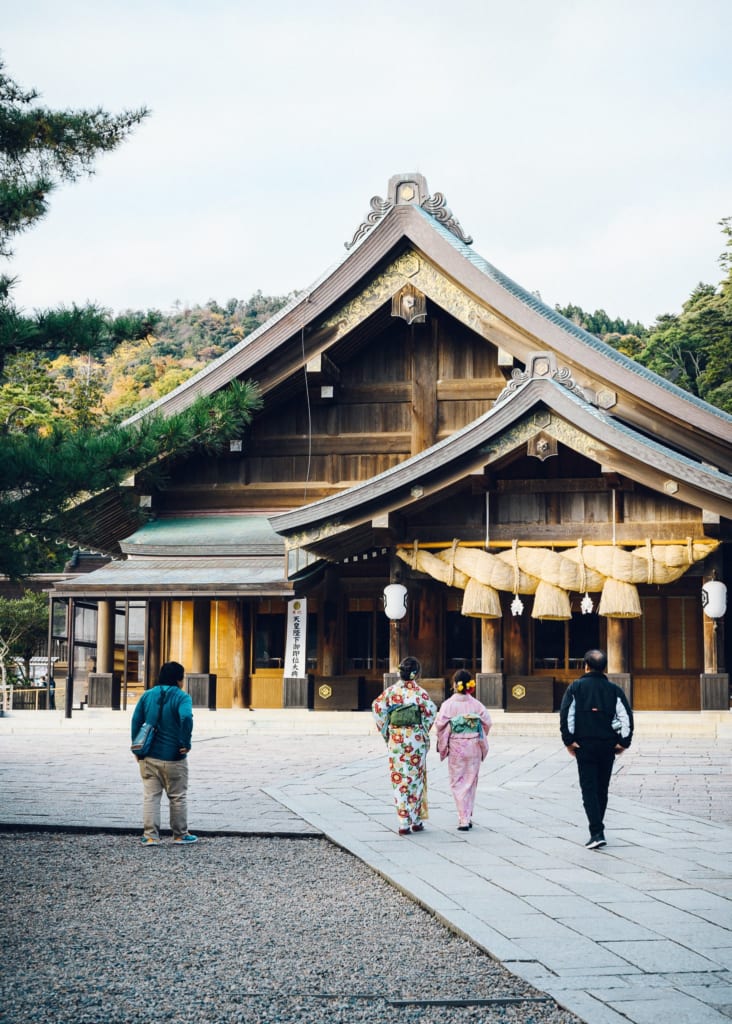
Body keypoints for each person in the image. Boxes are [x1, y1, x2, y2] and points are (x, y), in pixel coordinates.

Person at [559, 648, 633, 849]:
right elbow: (626, 716)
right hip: (607, 746)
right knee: (602, 788)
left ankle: (597, 831)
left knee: (589, 788)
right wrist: (623, 742)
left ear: (585, 665)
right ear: (604, 667)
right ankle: (598, 828)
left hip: (584, 745)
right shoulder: (614, 690)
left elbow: (567, 715)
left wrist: (568, 740)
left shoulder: (575, 687)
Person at [130, 661, 197, 846]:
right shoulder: (182, 697)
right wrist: (186, 742)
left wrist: (136, 747)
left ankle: (150, 835)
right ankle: (180, 834)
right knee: (177, 796)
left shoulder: (148, 695)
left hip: (149, 755)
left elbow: (136, 720)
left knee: (151, 796)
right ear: (179, 679)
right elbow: (186, 717)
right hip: (174, 756)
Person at [372, 656, 437, 835]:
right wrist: (423, 729)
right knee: (415, 779)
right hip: (415, 739)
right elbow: (431, 711)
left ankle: (403, 822)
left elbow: (377, 708)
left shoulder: (390, 692)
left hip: (397, 739)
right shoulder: (421, 694)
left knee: (399, 779)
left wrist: (387, 730)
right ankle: (416, 820)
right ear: (416, 674)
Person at [435, 670, 492, 831]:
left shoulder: (448, 705)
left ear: (454, 685)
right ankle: (467, 815)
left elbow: (440, 725)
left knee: (458, 782)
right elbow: (487, 722)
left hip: (456, 746)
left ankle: (463, 819)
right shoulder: (476, 704)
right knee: (470, 782)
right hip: (473, 745)